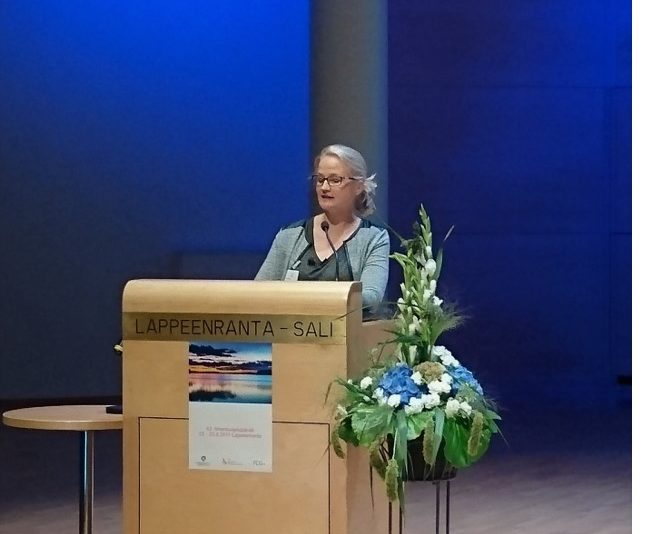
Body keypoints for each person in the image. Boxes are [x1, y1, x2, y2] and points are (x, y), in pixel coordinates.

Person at [255, 144, 390, 310]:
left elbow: (371, 298)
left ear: (358, 186)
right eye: (320, 180)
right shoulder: (289, 236)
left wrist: (311, 298)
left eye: (335, 180)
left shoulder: (374, 238)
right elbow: (256, 294)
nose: (325, 187)